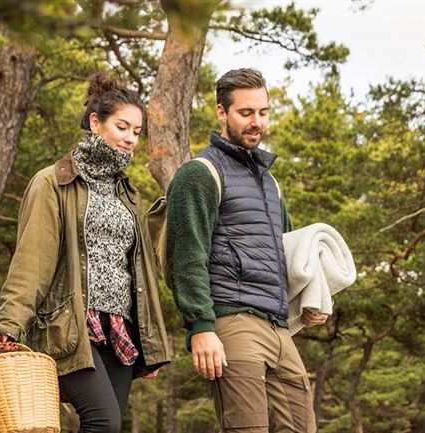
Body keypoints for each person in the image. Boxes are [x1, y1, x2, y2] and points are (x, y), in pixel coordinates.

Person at [0, 72, 172, 433]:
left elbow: (141, 269)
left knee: (111, 423)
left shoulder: (129, 194)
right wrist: (11, 323)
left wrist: (148, 341)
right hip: (69, 325)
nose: (130, 139)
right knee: (102, 421)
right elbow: (33, 258)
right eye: (123, 126)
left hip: (119, 328)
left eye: (137, 132)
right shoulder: (54, 181)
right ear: (95, 122)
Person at [165, 68, 327, 433]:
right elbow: (186, 255)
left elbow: (285, 254)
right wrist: (201, 328)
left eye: (264, 112)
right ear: (222, 113)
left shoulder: (270, 183)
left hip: (279, 326)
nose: (257, 123)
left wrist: (309, 298)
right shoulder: (200, 173)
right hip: (232, 322)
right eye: (246, 113)